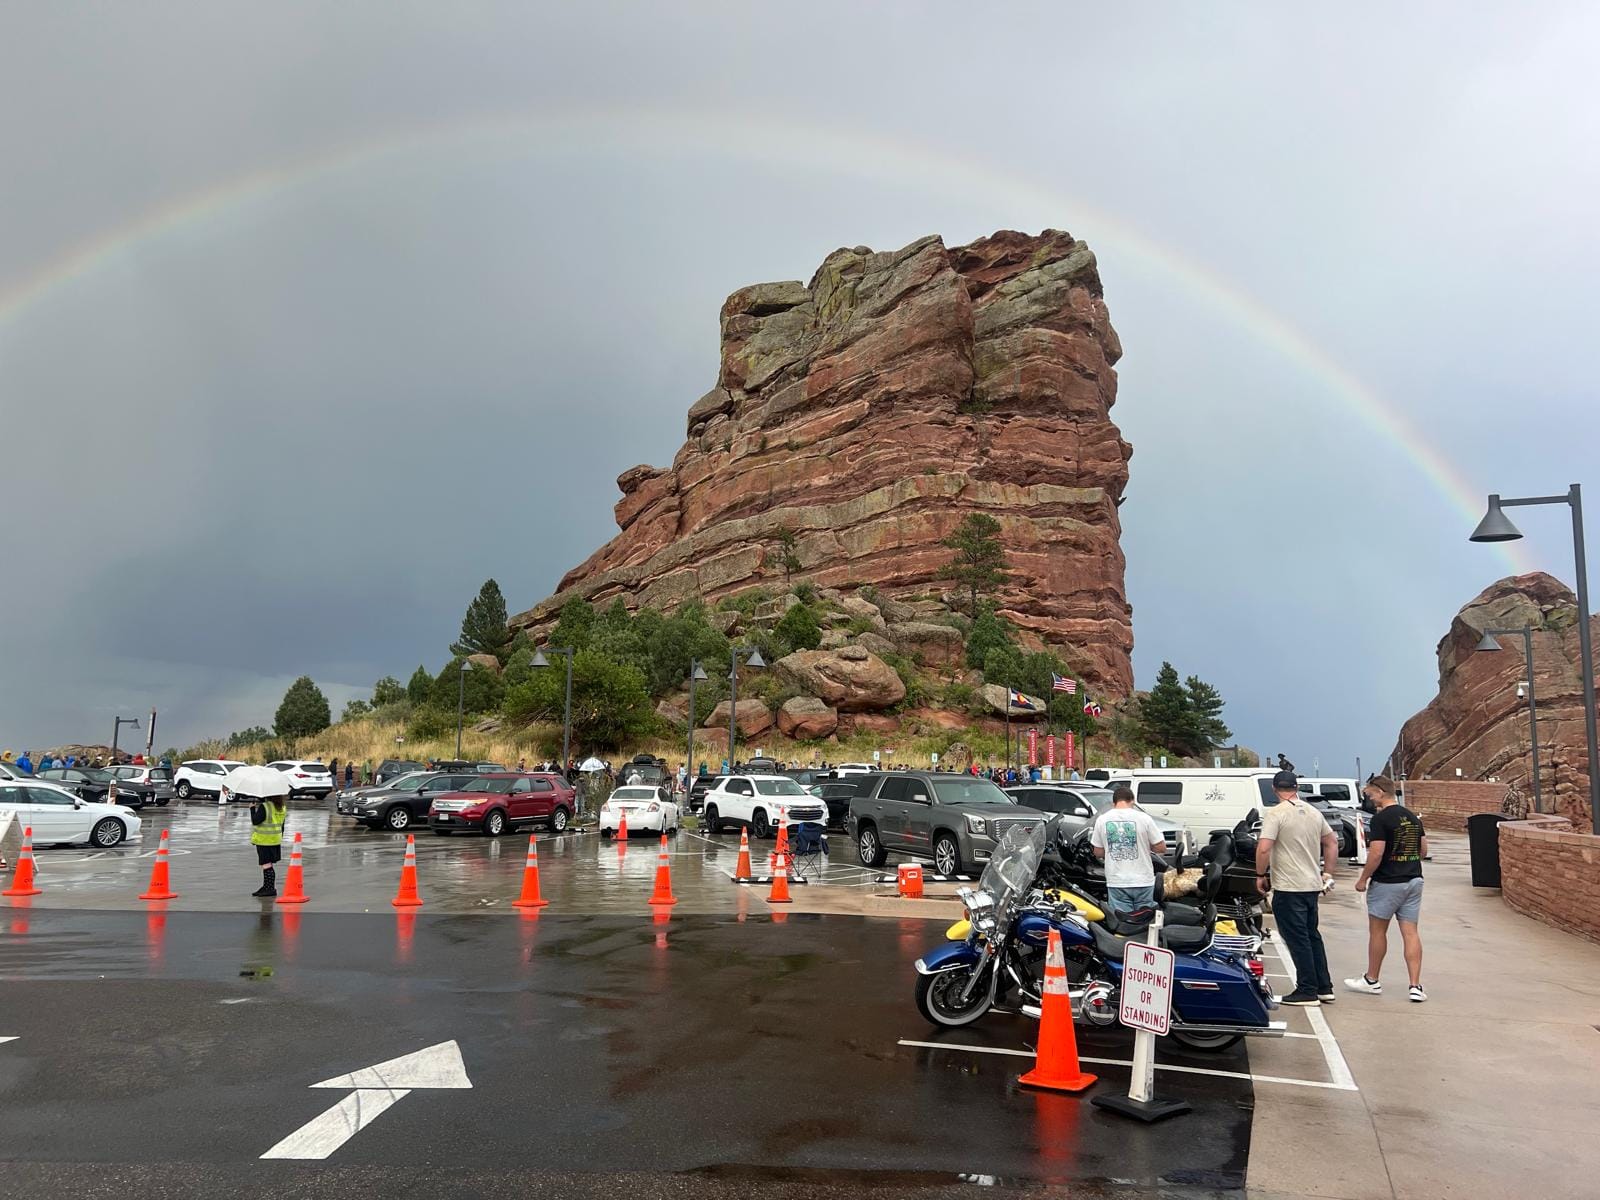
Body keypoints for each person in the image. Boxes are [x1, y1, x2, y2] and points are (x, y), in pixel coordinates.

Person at [1256, 770, 1338, 1005]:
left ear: (1274, 789)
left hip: (1289, 885)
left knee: (1296, 938)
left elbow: (1264, 848)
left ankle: (1307, 989)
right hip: (1311, 884)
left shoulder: (1276, 814)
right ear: (1297, 788)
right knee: (1312, 935)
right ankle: (1324, 986)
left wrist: (1260, 874)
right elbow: (1331, 842)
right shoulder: (1313, 812)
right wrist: (1327, 872)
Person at [1345, 775, 1428, 1002]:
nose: (1370, 800)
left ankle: (1372, 979)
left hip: (1388, 882)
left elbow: (1377, 853)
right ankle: (1415, 985)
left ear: (1381, 792)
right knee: (1410, 932)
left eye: (1370, 795)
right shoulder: (1412, 817)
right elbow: (1422, 850)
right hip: (1413, 880)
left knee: (1378, 931)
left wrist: (1363, 879)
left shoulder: (1381, 819)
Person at [1091, 785, 1167, 918]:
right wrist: (1144, 846)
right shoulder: (1144, 818)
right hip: (1143, 880)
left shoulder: (1102, 820)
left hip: (1117, 881)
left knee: (1123, 923)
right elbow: (1161, 848)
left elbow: (1097, 852)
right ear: (1132, 800)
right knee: (1145, 922)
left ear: (1113, 803)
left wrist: (1112, 849)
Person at [248, 791, 288, 898]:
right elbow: (282, 825)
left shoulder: (265, 807)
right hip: (276, 839)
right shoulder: (282, 807)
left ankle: (269, 888)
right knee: (268, 863)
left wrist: (252, 809)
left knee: (266, 864)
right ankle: (267, 886)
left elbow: (256, 821)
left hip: (264, 840)